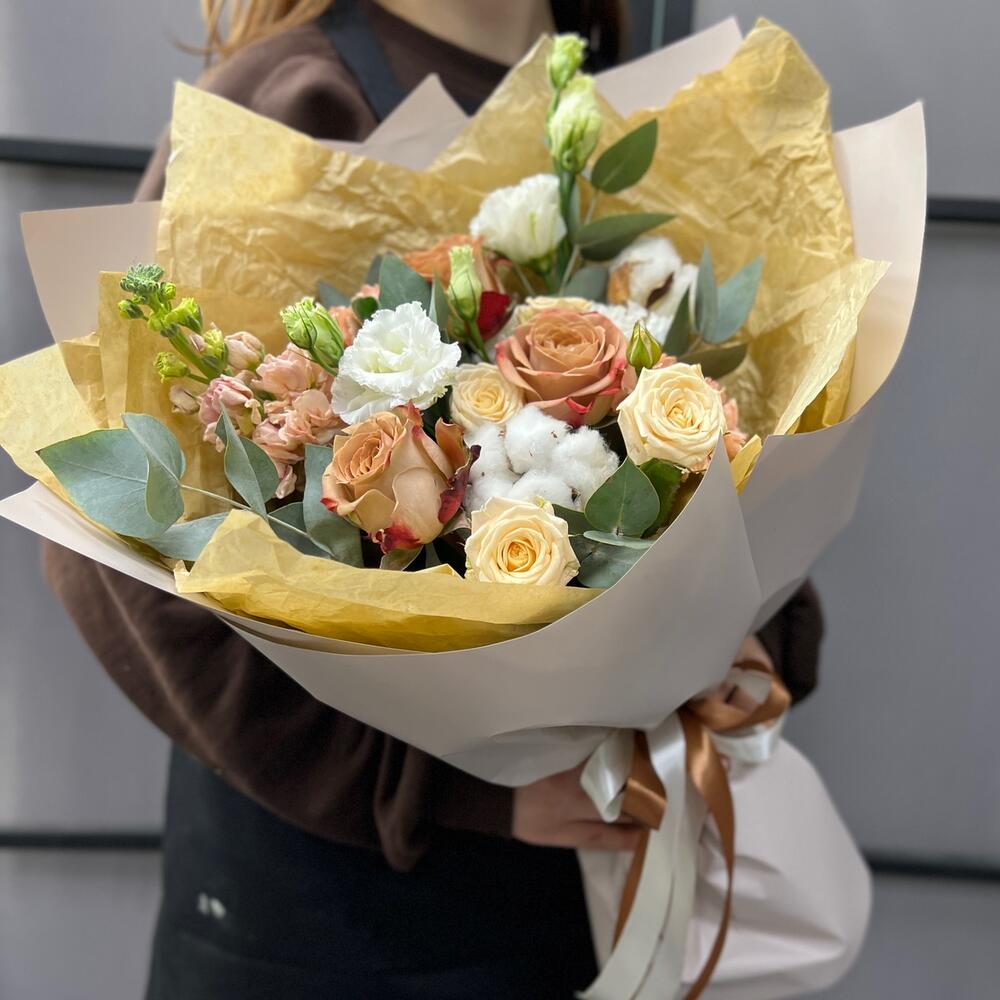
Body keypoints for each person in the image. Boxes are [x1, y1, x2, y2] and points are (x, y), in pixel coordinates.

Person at [42, 2, 825, 997]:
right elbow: (114, 551)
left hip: (578, 895)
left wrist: (742, 635)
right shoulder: (295, 100)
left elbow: (747, 443)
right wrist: (431, 788)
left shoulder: (615, 109)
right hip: (340, 916)